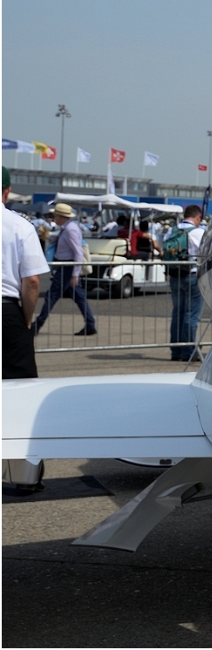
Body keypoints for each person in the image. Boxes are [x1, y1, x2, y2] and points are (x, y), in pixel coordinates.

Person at [2, 169, 49, 494]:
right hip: (7, 311)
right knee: (20, 394)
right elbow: (32, 281)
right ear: (7, 191)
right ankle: (24, 476)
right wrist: (27, 320)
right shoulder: (19, 225)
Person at [33, 202, 97, 336]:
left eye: (55, 215)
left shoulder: (69, 230)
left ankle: (37, 325)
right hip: (67, 266)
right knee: (79, 297)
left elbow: (78, 253)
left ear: (61, 217)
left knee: (52, 296)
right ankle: (90, 324)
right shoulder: (68, 228)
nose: (54, 218)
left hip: (67, 267)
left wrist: (75, 274)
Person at [165, 205, 206, 362]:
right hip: (192, 274)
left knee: (178, 313)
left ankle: (176, 351)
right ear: (197, 217)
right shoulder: (198, 232)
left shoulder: (172, 231)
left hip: (175, 275)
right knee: (191, 314)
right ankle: (188, 351)